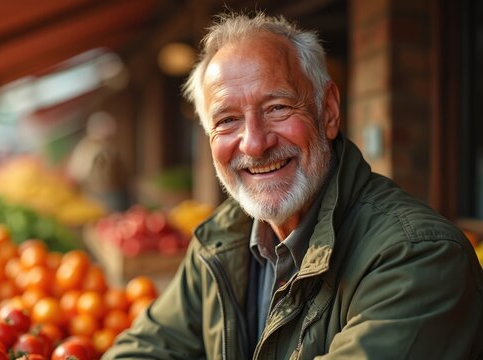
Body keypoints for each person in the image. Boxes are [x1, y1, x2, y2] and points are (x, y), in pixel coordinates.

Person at [103, 12, 483, 359]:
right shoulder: (223, 239)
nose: (254, 143)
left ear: (329, 111)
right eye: (228, 120)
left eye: (277, 108)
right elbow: (140, 350)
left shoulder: (419, 257)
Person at [67, 111, 130, 212]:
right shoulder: (88, 149)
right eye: (108, 128)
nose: (112, 131)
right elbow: (78, 174)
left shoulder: (105, 147)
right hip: (100, 198)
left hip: (112, 195)